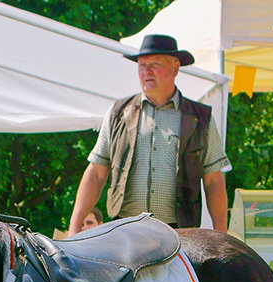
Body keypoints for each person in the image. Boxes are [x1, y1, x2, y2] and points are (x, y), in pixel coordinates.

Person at [67, 34, 231, 235]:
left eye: (155, 64)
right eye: (142, 65)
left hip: (180, 235)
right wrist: (74, 229)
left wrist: (221, 235)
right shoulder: (118, 113)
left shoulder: (200, 118)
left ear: (175, 68)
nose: (147, 71)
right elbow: (95, 172)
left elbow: (213, 181)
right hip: (124, 231)